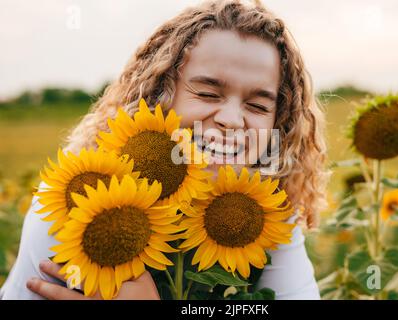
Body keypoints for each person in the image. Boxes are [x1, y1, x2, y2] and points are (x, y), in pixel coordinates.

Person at [0, 0, 329, 300]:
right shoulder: (79, 200)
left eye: (257, 105)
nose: (231, 120)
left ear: (278, 121)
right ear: (159, 94)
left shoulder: (267, 216)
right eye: (208, 94)